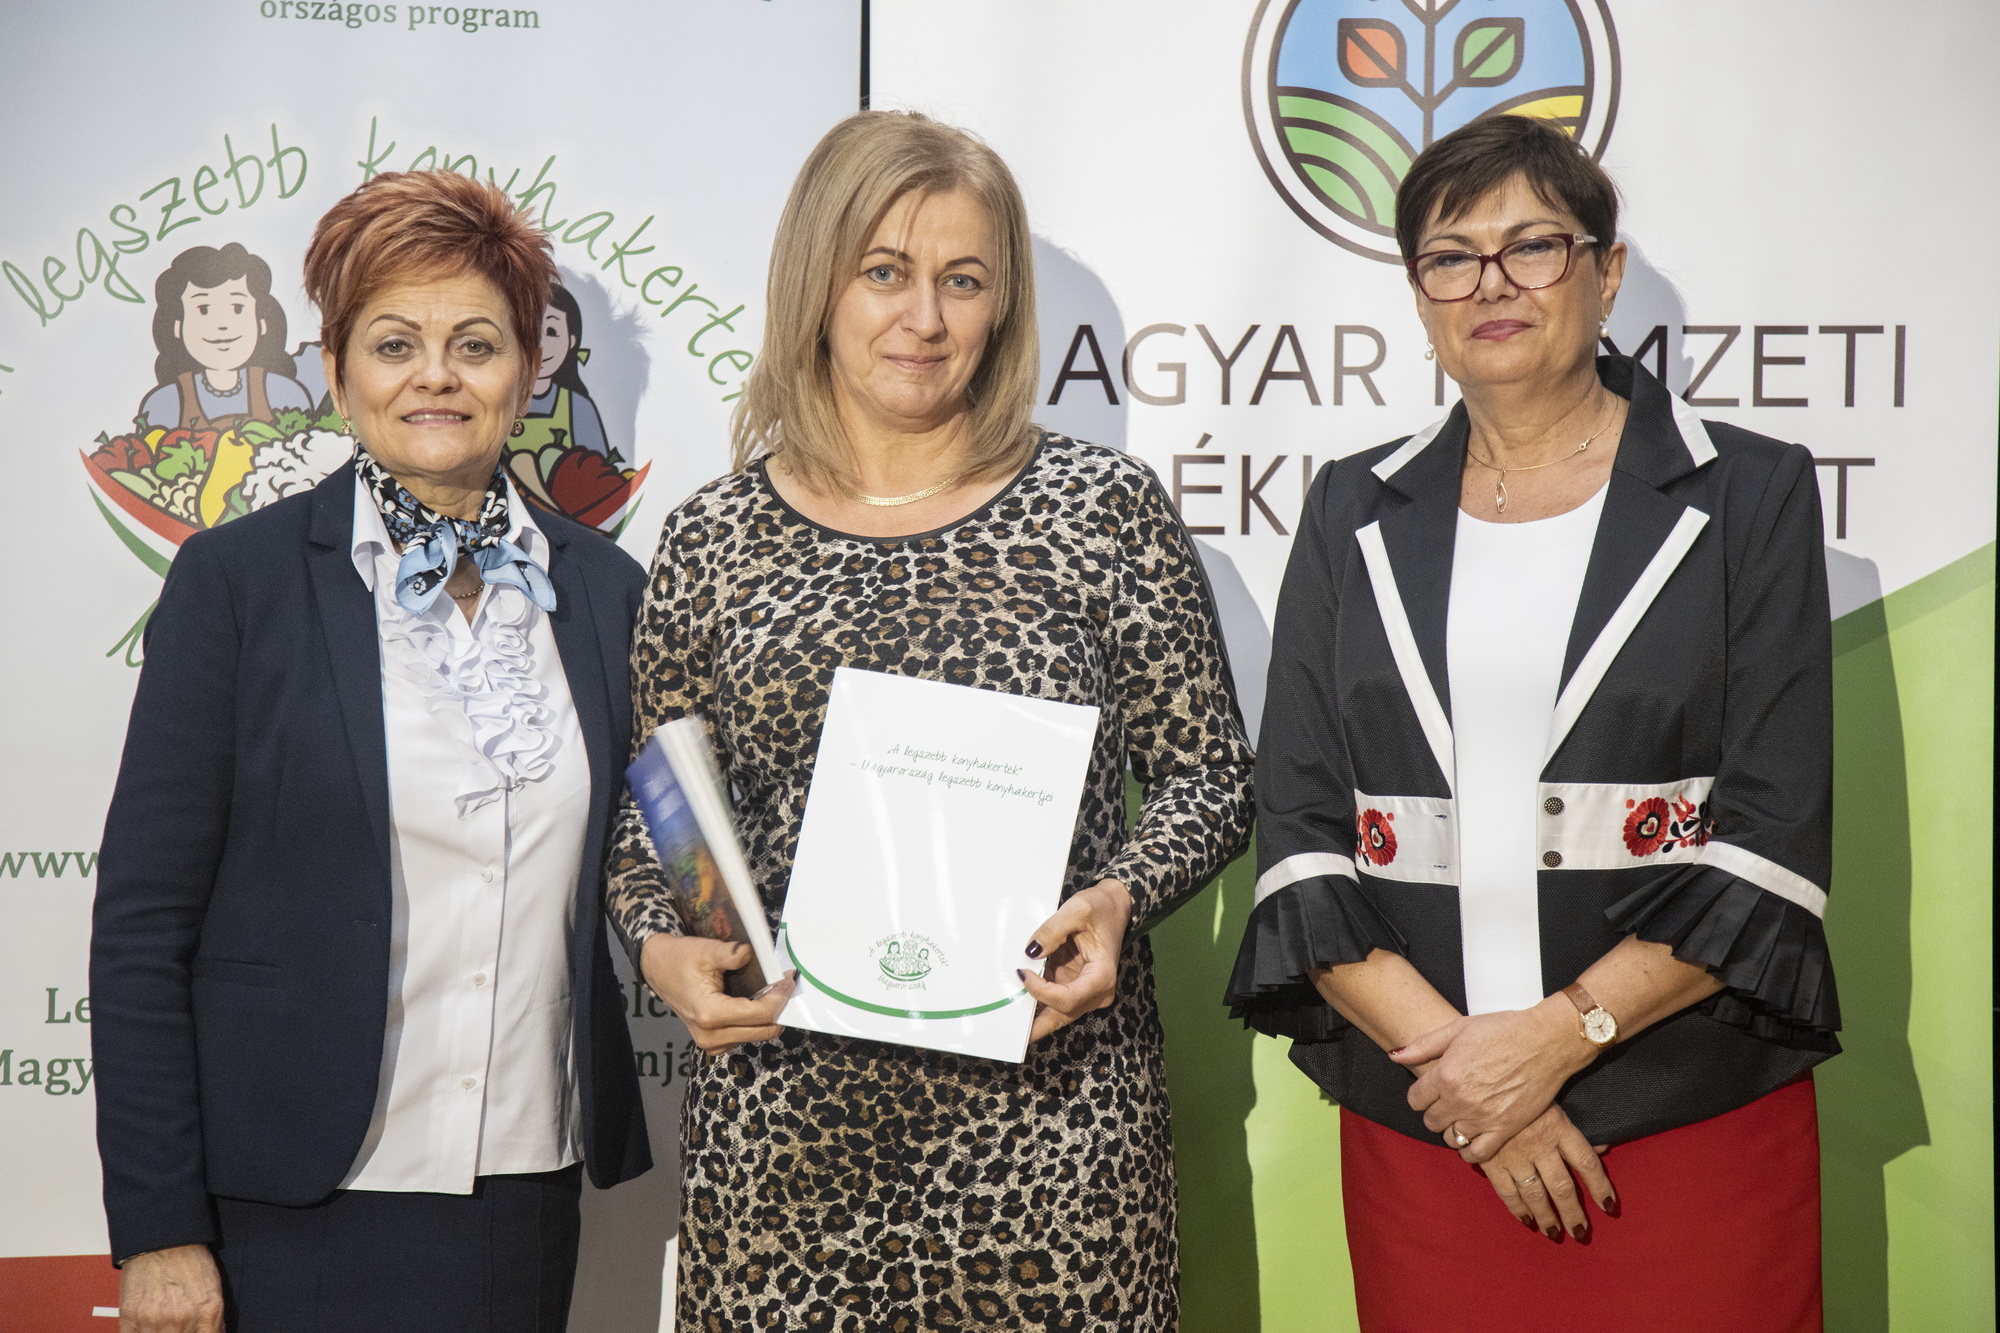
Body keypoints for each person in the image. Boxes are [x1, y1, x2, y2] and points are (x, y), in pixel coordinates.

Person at [606, 110, 1254, 1329]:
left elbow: (1209, 775)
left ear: (1002, 307)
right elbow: (660, 815)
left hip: (1053, 1137)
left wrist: (1119, 896)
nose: (925, 318)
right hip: (784, 1142)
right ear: (816, 285)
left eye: (963, 280)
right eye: (884, 273)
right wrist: (657, 942)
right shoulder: (710, 537)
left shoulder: (1102, 509)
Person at [1226, 113, 1839, 1331]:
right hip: (1431, 1125)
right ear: (1418, 295)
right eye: (1450, 257)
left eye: (1532, 246)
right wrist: (1470, 1080)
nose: (1490, 284)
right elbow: (1296, 832)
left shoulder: (1747, 493)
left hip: (1681, 1112)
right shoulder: (1349, 507)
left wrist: (1551, 1044)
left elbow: (1770, 837)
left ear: (1605, 272)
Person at [91, 170, 652, 1333]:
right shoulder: (236, 583)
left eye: (475, 344)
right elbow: (142, 927)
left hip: (519, 1187)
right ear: (338, 373)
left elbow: (659, 849)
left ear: (528, 372)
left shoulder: (605, 590)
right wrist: (157, 1225)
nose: (435, 375)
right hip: (285, 1200)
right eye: (394, 343)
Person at [137, 243, 317, 431]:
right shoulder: (164, 403)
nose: (222, 324)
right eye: (203, 309)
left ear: (262, 322)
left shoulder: (286, 394)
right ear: (177, 326)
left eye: (237, 308)